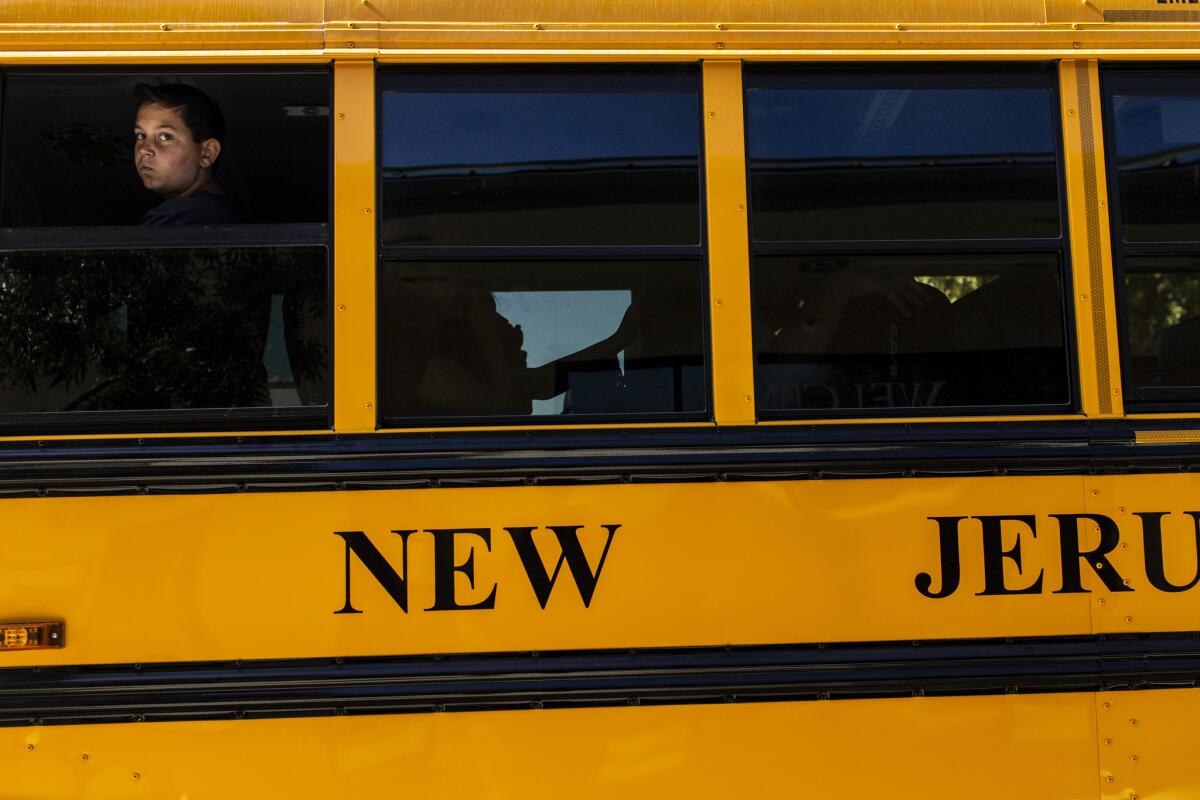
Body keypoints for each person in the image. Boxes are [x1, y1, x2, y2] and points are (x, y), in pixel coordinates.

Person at [133, 83, 241, 225]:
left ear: (207, 153)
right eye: (141, 136)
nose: (143, 150)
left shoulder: (177, 217)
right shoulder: (221, 212)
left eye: (165, 137)